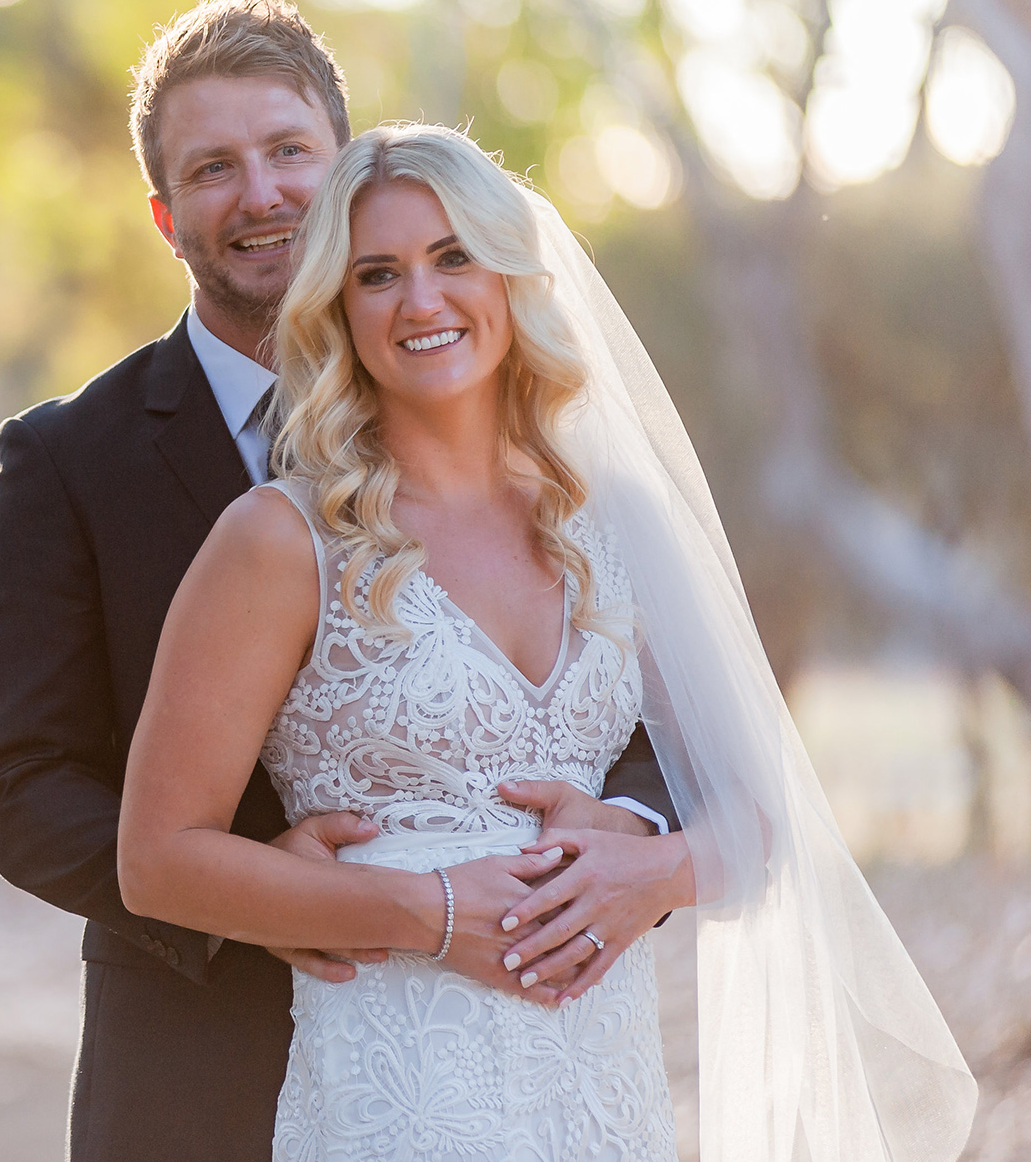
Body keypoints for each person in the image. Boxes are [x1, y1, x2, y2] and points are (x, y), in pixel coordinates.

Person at [116, 121, 976, 1160]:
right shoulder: (279, 540)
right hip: (396, 1097)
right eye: (377, 273)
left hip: (600, 1092)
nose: (421, 300)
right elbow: (156, 859)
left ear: (513, 279)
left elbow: (759, 819)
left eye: (452, 258)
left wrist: (652, 869)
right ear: (338, 309)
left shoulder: (611, 524)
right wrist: (423, 908)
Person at [0, 0, 682, 1162]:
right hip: (197, 1053)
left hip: (538, 1046)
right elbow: (20, 781)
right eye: (211, 169)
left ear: (344, 165)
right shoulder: (66, 457)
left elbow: (655, 709)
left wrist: (632, 836)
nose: (259, 194)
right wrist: (258, 898)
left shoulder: (548, 471)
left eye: (288, 150)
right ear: (163, 214)